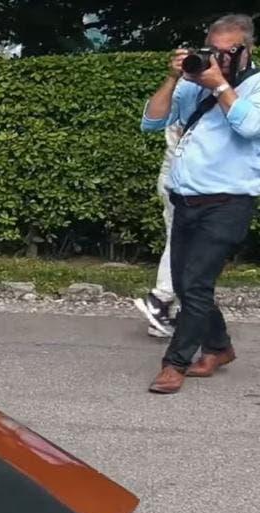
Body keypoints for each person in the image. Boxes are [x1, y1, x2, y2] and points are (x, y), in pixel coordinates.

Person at [140, 14, 260, 394]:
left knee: (194, 284)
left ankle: (174, 363)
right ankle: (219, 347)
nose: (220, 58)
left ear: (247, 50)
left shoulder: (256, 86)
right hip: (186, 200)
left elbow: (249, 126)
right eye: (214, 51)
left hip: (228, 202)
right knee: (185, 283)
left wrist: (219, 85)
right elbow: (151, 121)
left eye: (229, 52)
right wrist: (174, 77)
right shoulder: (193, 84)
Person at [134, 122, 185, 338]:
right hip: (185, 180)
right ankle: (162, 299)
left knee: (181, 241)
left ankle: (172, 310)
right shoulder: (194, 103)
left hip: (178, 175)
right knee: (185, 243)